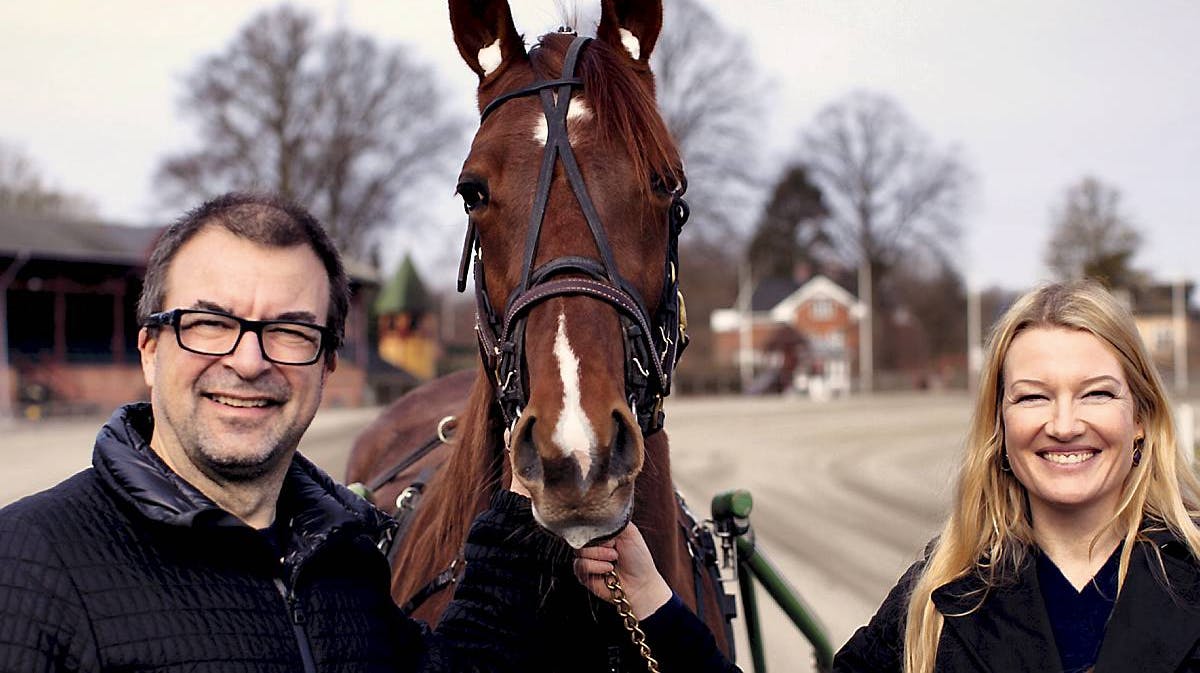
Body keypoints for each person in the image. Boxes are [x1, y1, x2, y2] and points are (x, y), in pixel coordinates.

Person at [0, 191, 732, 673]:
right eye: (210, 323)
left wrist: (518, 518)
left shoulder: (346, 560)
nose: (248, 360)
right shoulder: (28, 565)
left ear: (328, 358)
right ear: (149, 345)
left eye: (290, 330)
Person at [834, 280, 1200, 673]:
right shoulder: (939, 593)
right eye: (1033, 397)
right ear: (1000, 424)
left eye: (1096, 394)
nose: (1063, 425)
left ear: (1140, 416)